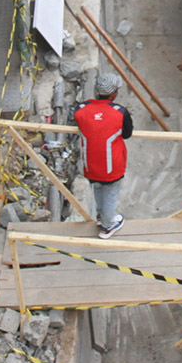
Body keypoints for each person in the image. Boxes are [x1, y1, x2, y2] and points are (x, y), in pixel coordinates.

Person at [74, 72, 133, 239]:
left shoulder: (81, 110)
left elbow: (80, 119)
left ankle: (101, 216)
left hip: (90, 164)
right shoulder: (120, 113)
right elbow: (127, 134)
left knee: (98, 188)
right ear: (114, 93)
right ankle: (108, 226)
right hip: (112, 165)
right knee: (110, 193)